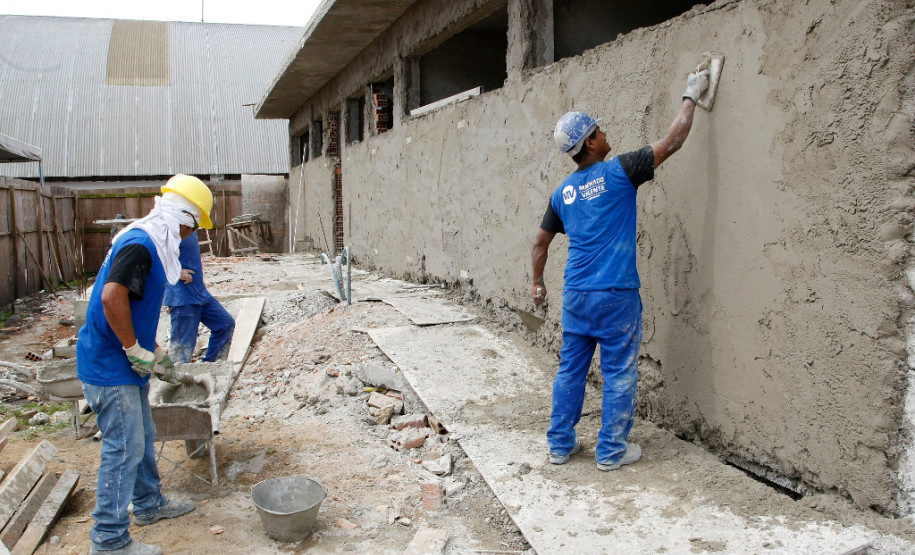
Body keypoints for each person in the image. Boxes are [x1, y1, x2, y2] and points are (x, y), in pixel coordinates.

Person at [531, 70, 710, 472]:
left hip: (576, 295)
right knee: (618, 372)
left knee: (570, 371)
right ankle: (611, 451)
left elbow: (540, 243)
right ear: (590, 143)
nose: (606, 133)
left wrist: (538, 283)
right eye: (599, 130)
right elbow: (673, 142)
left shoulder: (563, 193)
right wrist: (690, 95)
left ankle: (560, 446)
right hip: (615, 294)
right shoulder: (619, 172)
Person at [76, 174, 215, 555]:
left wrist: (152, 351)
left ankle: (149, 504)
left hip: (124, 360)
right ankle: (109, 541)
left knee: (142, 433)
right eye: (192, 225)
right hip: (109, 364)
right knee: (124, 446)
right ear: (181, 215)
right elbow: (110, 298)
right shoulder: (141, 244)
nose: (191, 235)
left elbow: (134, 306)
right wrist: (133, 348)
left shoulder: (151, 240)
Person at [164, 233, 235, 364]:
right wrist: (175, 272)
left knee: (225, 324)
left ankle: (211, 367)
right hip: (182, 297)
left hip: (200, 292)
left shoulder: (189, 226)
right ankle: (177, 382)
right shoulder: (170, 227)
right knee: (182, 348)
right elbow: (153, 255)